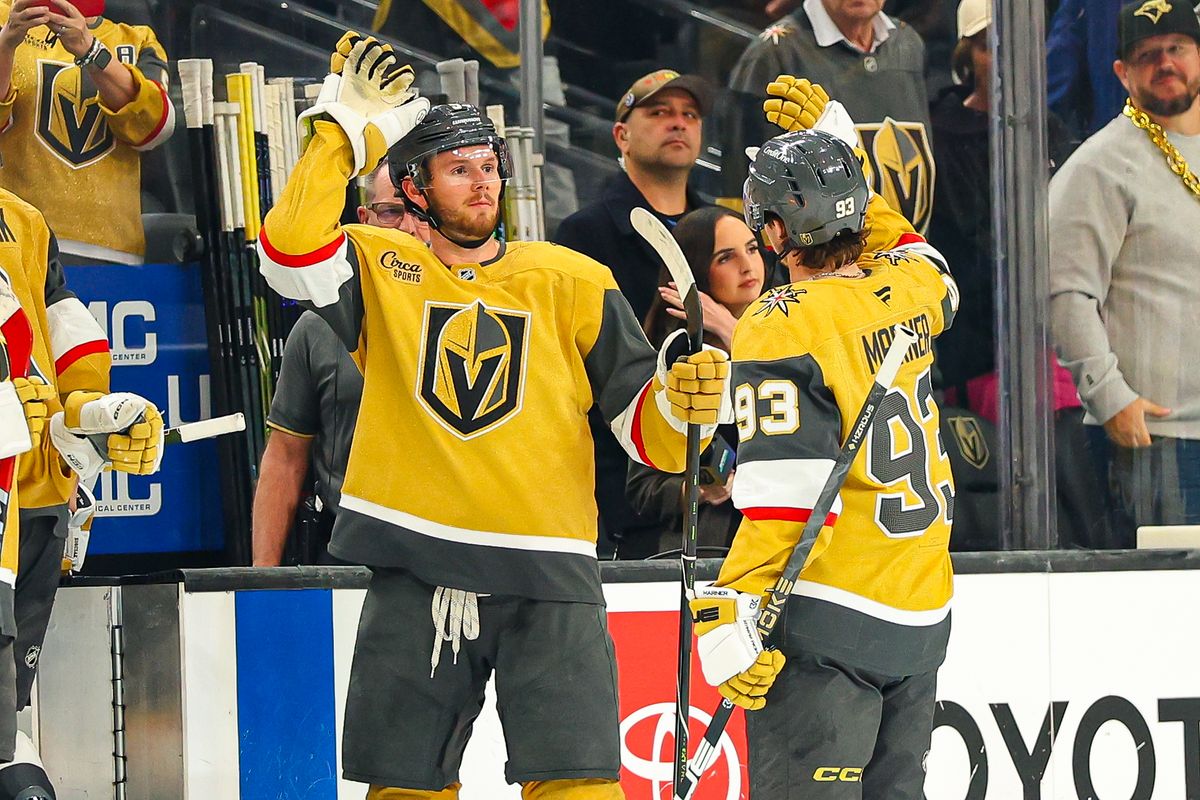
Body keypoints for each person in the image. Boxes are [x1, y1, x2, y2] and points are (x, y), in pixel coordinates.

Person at [256, 32, 728, 799]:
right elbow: (287, 254)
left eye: (488, 168)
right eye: (457, 170)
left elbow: (648, 434)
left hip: (552, 573)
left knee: (580, 788)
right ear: (413, 188)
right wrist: (336, 133)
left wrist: (683, 404)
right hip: (418, 569)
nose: (482, 184)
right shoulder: (381, 268)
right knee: (402, 791)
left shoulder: (571, 277)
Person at [690, 86, 958, 798]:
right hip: (923, 613)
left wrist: (733, 603)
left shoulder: (782, 321)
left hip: (831, 620)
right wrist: (842, 162)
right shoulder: (910, 285)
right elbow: (921, 255)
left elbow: (789, 494)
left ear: (773, 234)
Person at [0, 186, 163, 799]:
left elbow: (66, 333)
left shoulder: (21, 218)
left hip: (33, 497)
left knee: (5, 708)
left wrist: (85, 413)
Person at [1050, 0, 1200, 537]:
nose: (1166, 63)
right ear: (1122, 72)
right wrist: (1110, 397)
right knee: (1164, 613)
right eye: (1146, 54)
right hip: (1156, 441)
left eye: (1178, 48)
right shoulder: (1097, 165)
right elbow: (1065, 294)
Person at [554, 68, 715, 554]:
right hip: (621, 480)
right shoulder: (584, 234)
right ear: (620, 134)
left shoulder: (726, 229)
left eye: (689, 114)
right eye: (659, 112)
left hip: (723, 471)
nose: (678, 123)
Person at [253, 162, 429, 567]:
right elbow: (284, 456)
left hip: (459, 553)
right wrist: (262, 579)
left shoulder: (486, 312)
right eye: (392, 212)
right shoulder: (318, 326)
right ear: (364, 219)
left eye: (419, 210)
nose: (407, 227)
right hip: (348, 556)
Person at [624, 206, 765, 559]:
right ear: (698, 273)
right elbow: (641, 487)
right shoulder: (678, 359)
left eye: (751, 248)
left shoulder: (793, 329)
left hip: (785, 546)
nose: (747, 265)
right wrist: (700, 490)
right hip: (705, 556)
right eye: (726, 258)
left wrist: (735, 334)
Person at [723, 0, 934, 232]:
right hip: (820, 261)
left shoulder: (907, 43)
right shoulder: (773, 54)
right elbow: (743, 191)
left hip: (908, 255)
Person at [0, 0, 175, 265]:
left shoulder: (137, 39)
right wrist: (5, 46)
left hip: (113, 248)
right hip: (16, 243)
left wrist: (92, 51)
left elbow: (155, 129)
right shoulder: (5, 18)